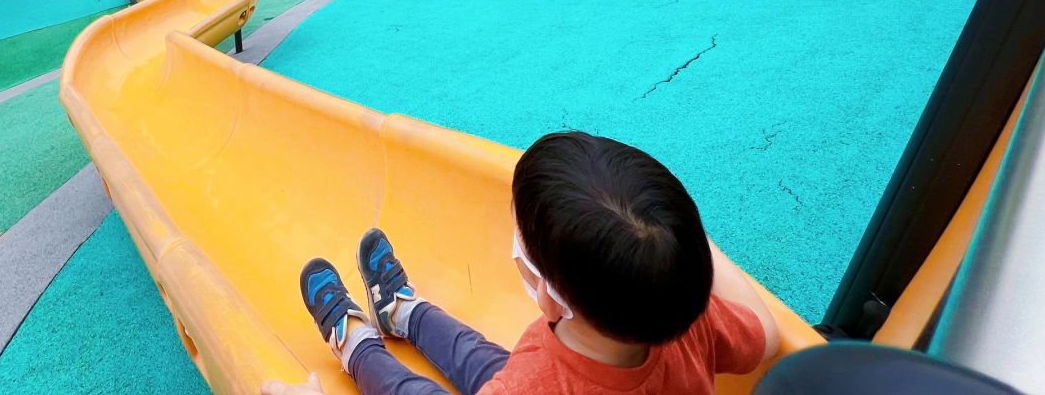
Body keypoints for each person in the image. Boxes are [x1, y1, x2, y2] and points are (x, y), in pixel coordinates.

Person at [264, 132, 776, 395]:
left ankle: (357, 346)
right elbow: (766, 337)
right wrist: (685, 243)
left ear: (550, 295)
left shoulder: (524, 387)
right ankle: (403, 311)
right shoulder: (687, 315)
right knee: (478, 353)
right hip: (545, 375)